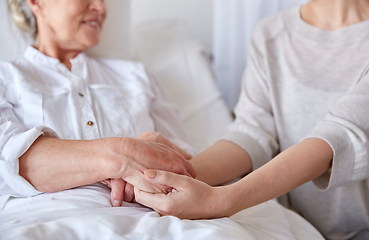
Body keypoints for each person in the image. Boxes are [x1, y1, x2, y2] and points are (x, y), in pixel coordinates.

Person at [134, 0, 369, 239]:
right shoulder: (271, 33)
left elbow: (338, 138)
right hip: (299, 228)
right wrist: (173, 174)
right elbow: (252, 132)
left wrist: (220, 200)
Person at [0, 0, 197, 210]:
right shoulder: (6, 78)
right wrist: (127, 153)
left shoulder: (136, 76)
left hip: (156, 222)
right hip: (51, 221)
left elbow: (192, 169)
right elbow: (7, 159)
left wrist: (156, 144)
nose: (101, 9)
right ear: (36, 2)